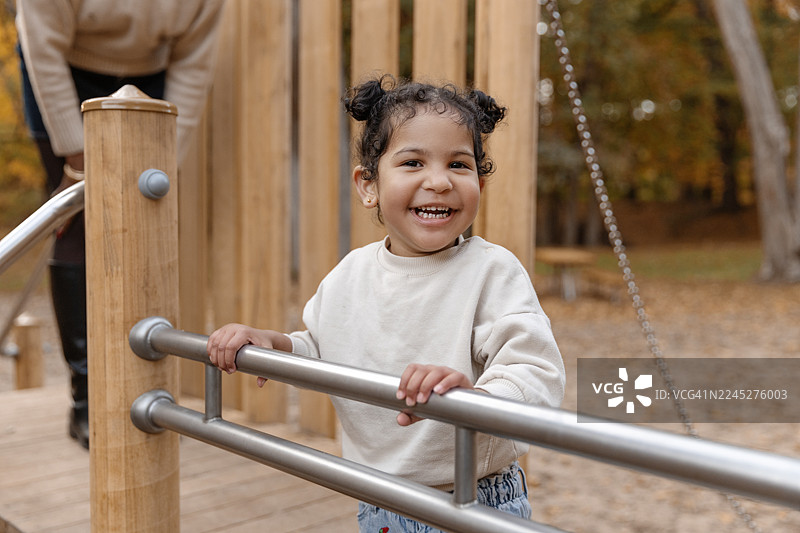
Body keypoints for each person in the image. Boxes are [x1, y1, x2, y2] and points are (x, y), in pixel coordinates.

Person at [207, 75, 566, 531]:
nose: (439, 181)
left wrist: (477, 400)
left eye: (460, 164)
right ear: (368, 185)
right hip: (379, 499)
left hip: (475, 497)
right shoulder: (349, 276)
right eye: (413, 162)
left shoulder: (491, 271)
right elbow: (318, 346)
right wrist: (269, 345)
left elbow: (535, 370)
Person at [15, 0, 225, 449]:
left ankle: (142, 395)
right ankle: (86, 400)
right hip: (60, 68)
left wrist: (166, 157)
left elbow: (193, 61)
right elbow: (42, 39)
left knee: (142, 226)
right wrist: (74, 151)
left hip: (150, 79)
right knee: (81, 225)